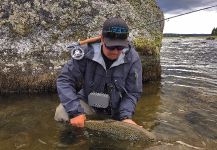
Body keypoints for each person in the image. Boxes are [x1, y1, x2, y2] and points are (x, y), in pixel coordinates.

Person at [54, 17, 143, 128]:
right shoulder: (85, 53)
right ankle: (75, 139)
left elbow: (133, 92)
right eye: (111, 46)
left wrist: (126, 117)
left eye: (120, 47)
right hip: (88, 103)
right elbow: (65, 81)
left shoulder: (133, 58)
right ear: (102, 39)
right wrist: (76, 112)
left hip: (116, 109)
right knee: (61, 113)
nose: (115, 51)